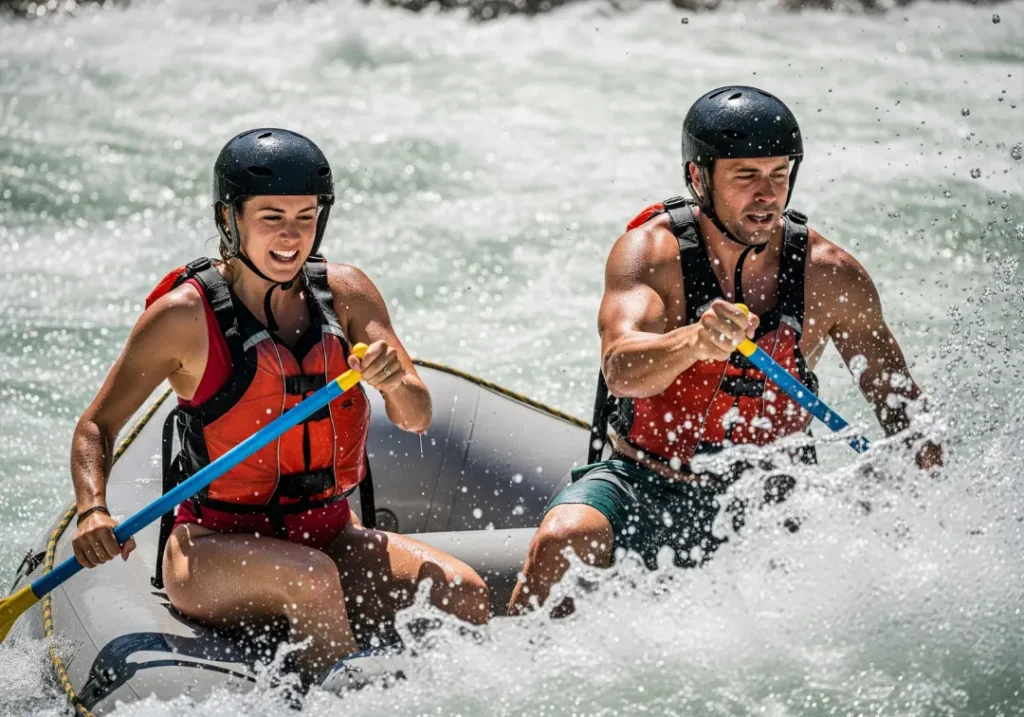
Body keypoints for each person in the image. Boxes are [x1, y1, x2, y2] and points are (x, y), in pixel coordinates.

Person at [70, 128, 490, 681]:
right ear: (229, 219)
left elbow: (416, 415)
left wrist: (393, 382)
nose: (292, 236)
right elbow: (97, 425)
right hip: (212, 550)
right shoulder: (182, 318)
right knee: (311, 578)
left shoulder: (347, 294)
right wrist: (92, 509)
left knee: (464, 593)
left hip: (329, 533)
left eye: (306, 216)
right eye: (271, 217)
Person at [509, 86, 943, 615]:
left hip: (771, 501)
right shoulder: (651, 253)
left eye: (779, 175)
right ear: (698, 178)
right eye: (745, 177)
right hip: (647, 481)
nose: (767, 195)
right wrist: (691, 342)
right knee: (563, 538)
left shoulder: (830, 275)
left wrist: (924, 512)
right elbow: (621, 368)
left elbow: (903, 411)